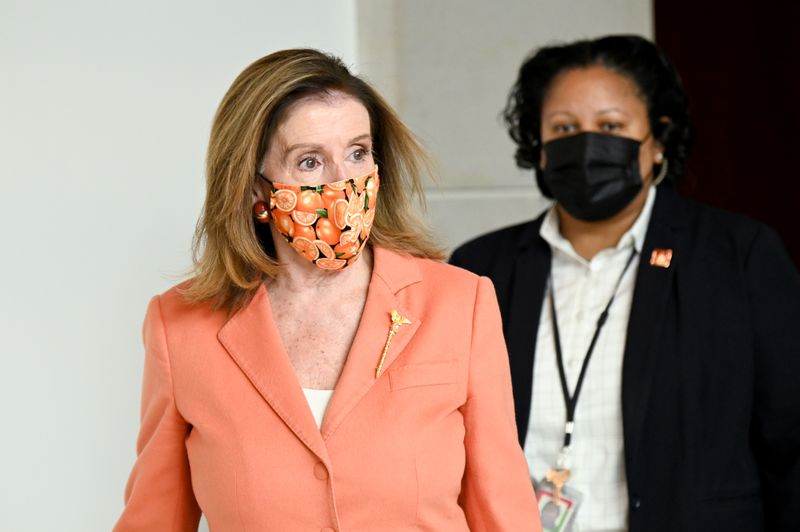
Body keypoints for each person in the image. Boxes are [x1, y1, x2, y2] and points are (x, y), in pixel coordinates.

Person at [113, 49, 541, 531]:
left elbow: (504, 513)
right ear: (256, 189)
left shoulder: (460, 303)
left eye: (358, 153)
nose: (344, 182)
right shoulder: (180, 327)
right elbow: (154, 520)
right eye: (310, 161)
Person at [450, 35, 800, 532]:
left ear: (657, 140)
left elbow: (789, 441)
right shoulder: (482, 266)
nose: (587, 144)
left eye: (610, 126)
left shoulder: (737, 255)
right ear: (540, 147)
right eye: (564, 128)